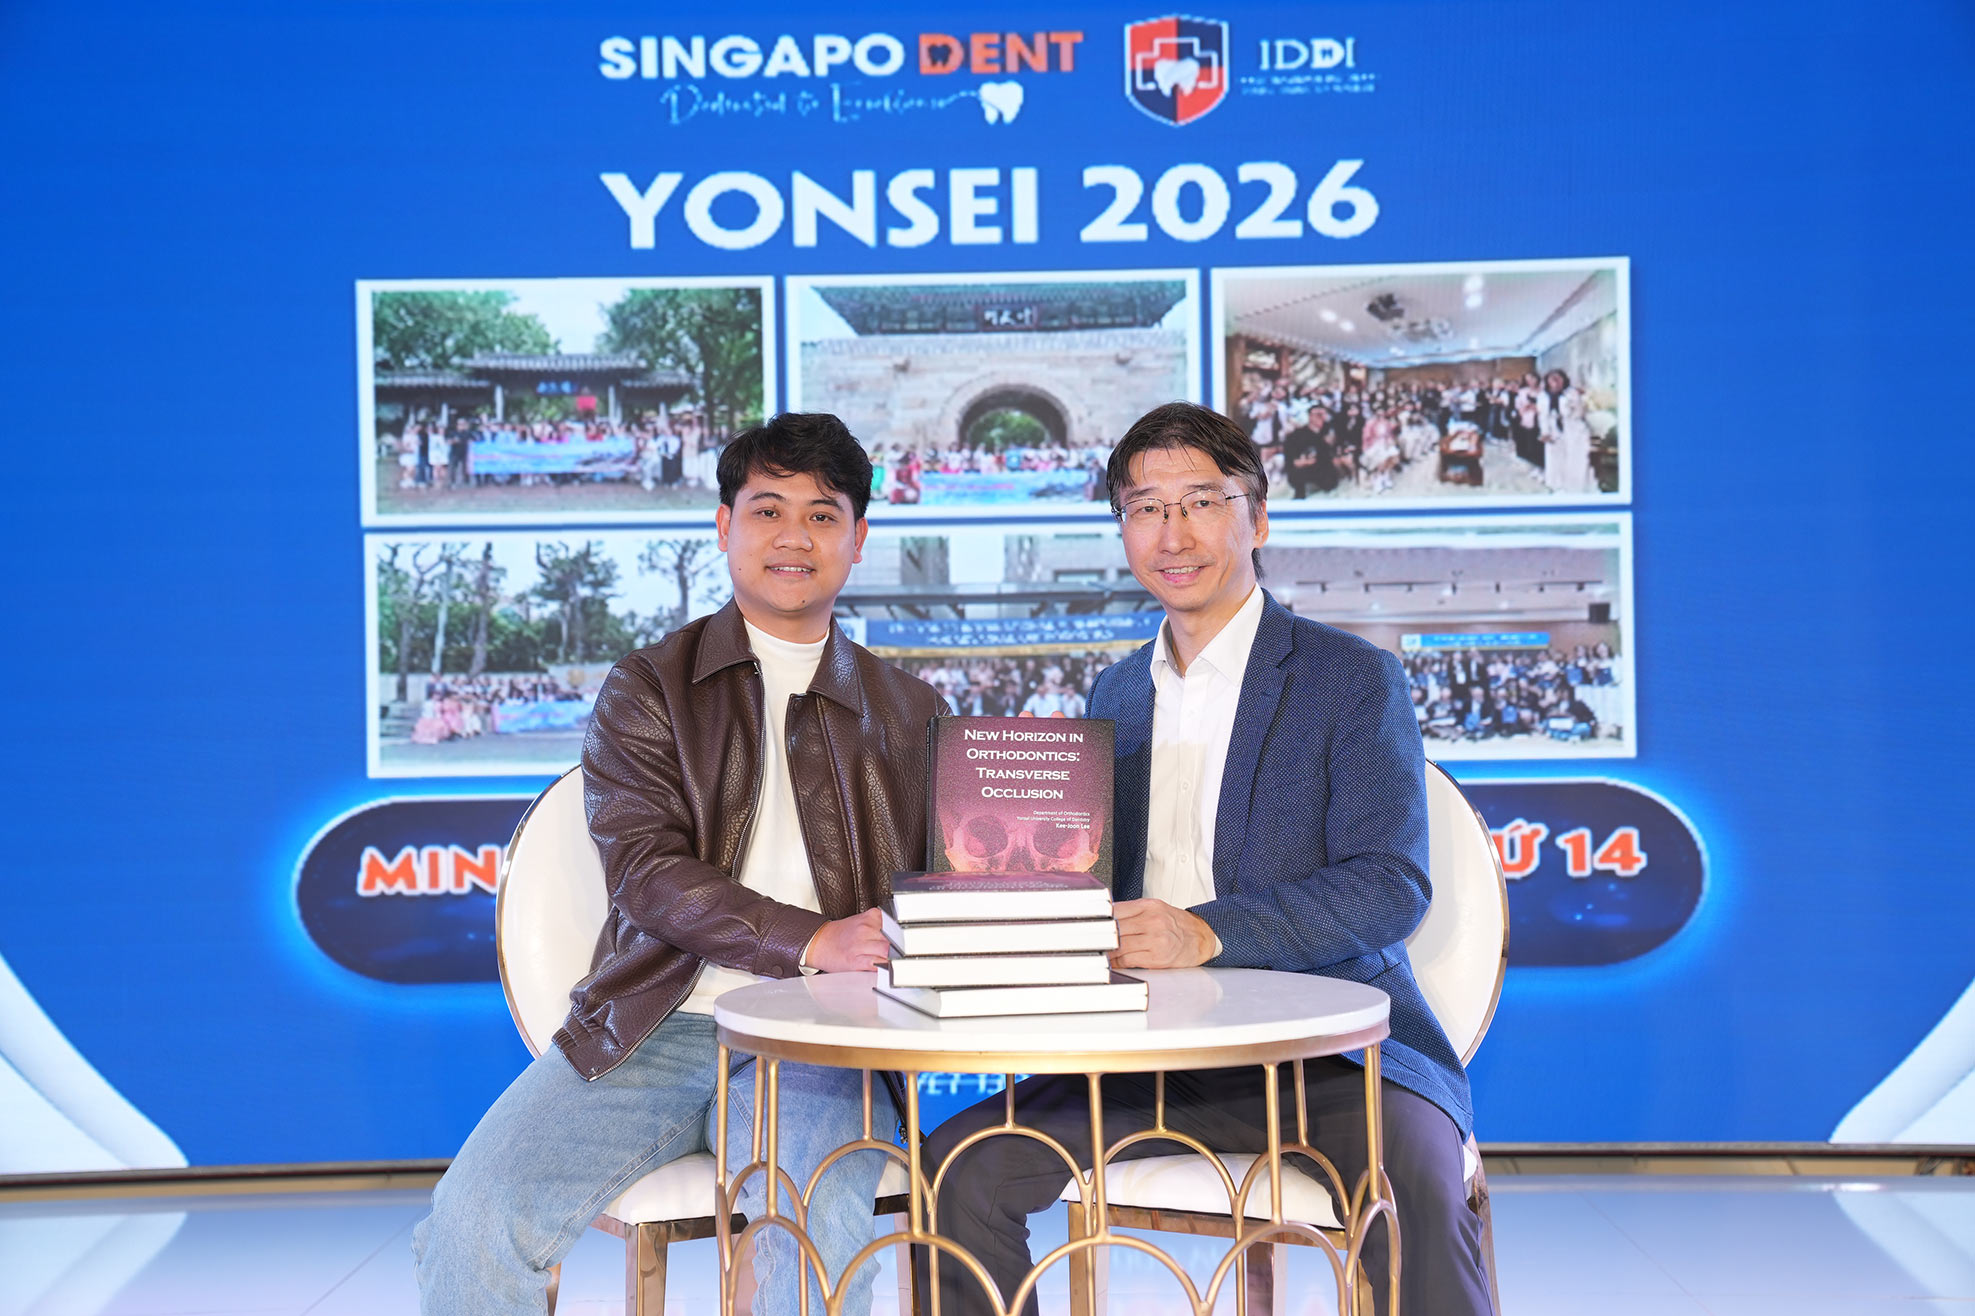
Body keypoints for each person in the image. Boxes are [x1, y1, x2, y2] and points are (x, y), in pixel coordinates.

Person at [917, 402, 1494, 1316]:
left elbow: (1390, 885)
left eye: (1198, 502)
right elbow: (1088, 882)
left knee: (1414, 1186)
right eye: (1144, 509)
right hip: (1145, 1057)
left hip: (1325, 1058)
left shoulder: (1348, 677)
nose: (1171, 534)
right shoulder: (1115, 692)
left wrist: (1204, 933)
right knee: (958, 1169)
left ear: (1255, 517)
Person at [414, 413, 948, 1316]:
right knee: (474, 1220)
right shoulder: (649, 686)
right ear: (724, 526)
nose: (793, 537)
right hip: (652, 1026)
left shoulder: (912, 711)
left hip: (820, 1039)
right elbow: (645, 871)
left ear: (858, 539)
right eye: (767, 510)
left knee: (812, 1243)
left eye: (822, 516)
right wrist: (811, 940)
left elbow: (944, 890)